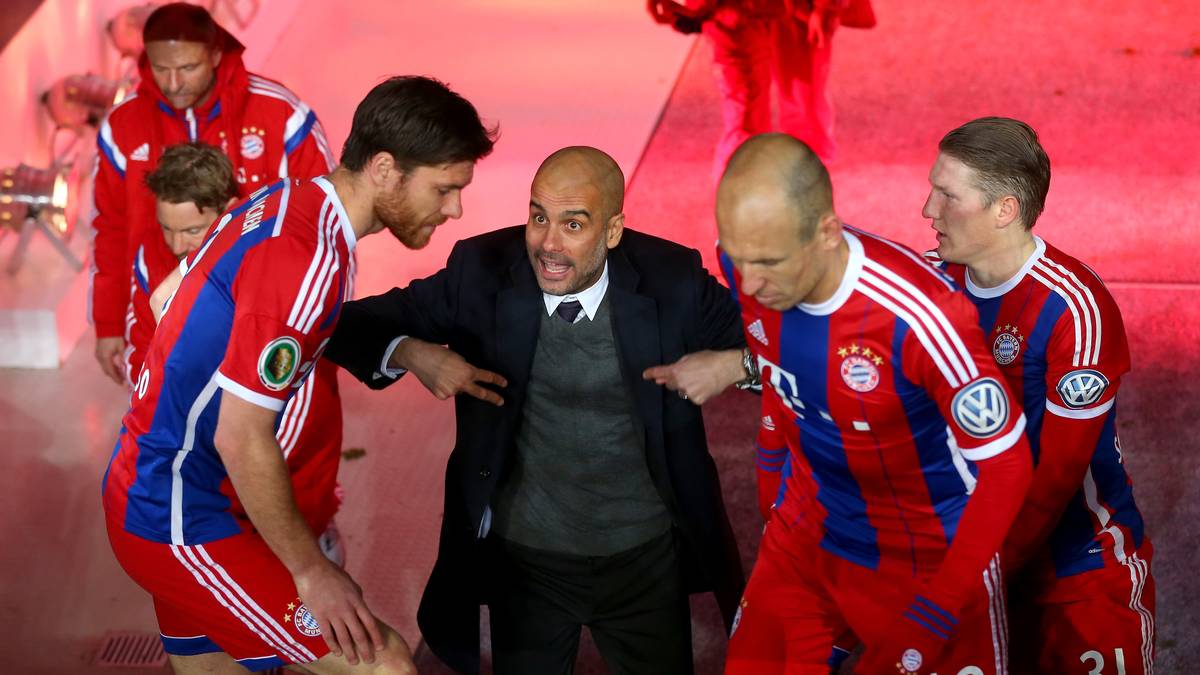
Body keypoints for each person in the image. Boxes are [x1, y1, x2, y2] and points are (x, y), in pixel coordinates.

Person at [102, 75, 496, 674]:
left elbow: (167, 302)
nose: (455, 209)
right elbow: (240, 434)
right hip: (179, 513)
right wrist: (311, 571)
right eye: (444, 189)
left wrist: (407, 351)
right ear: (386, 170)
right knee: (382, 661)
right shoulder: (310, 256)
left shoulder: (285, 202)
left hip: (158, 491)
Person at [324, 146, 752, 675]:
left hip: (645, 559)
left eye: (574, 224)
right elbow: (339, 323)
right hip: (526, 565)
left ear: (613, 231)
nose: (548, 244)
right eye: (538, 217)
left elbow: (783, 347)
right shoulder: (479, 272)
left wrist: (734, 367)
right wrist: (412, 353)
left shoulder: (674, 280)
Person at [716, 133, 1033, 674]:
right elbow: (777, 373)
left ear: (826, 233)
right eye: (738, 259)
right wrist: (773, 494)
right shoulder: (750, 263)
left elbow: (1008, 467)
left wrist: (936, 611)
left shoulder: (926, 318)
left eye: (767, 262)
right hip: (807, 533)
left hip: (922, 559)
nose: (749, 282)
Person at [922, 117, 1155, 674]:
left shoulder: (1076, 309)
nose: (927, 211)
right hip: (964, 559)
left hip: (1077, 570)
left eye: (947, 195)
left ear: (1004, 210)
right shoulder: (927, 288)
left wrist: (973, 579)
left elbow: (1056, 479)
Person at [93, 1, 335, 386]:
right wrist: (107, 322)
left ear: (216, 54)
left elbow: (326, 225)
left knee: (274, 440)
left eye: (188, 68)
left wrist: (313, 325)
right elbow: (110, 228)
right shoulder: (123, 125)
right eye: (161, 68)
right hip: (157, 320)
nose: (173, 83)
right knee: (163, 431)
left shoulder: (279, 115)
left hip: (267, 325)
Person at [137, 141, 347, 564]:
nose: (177, 245)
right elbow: (145, 363)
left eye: (193, 231)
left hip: (282, 501)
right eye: (167, 228)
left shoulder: (275, 273)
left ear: (231, 210)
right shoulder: (154, 266)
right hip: (212, 494)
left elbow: (287, 422)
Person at [647, 0, 874, 179]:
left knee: (801, 105)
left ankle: (804, 187)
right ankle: (742, 202)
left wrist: (826, 7)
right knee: (746, 115)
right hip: (732, 14)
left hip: (792, 10)